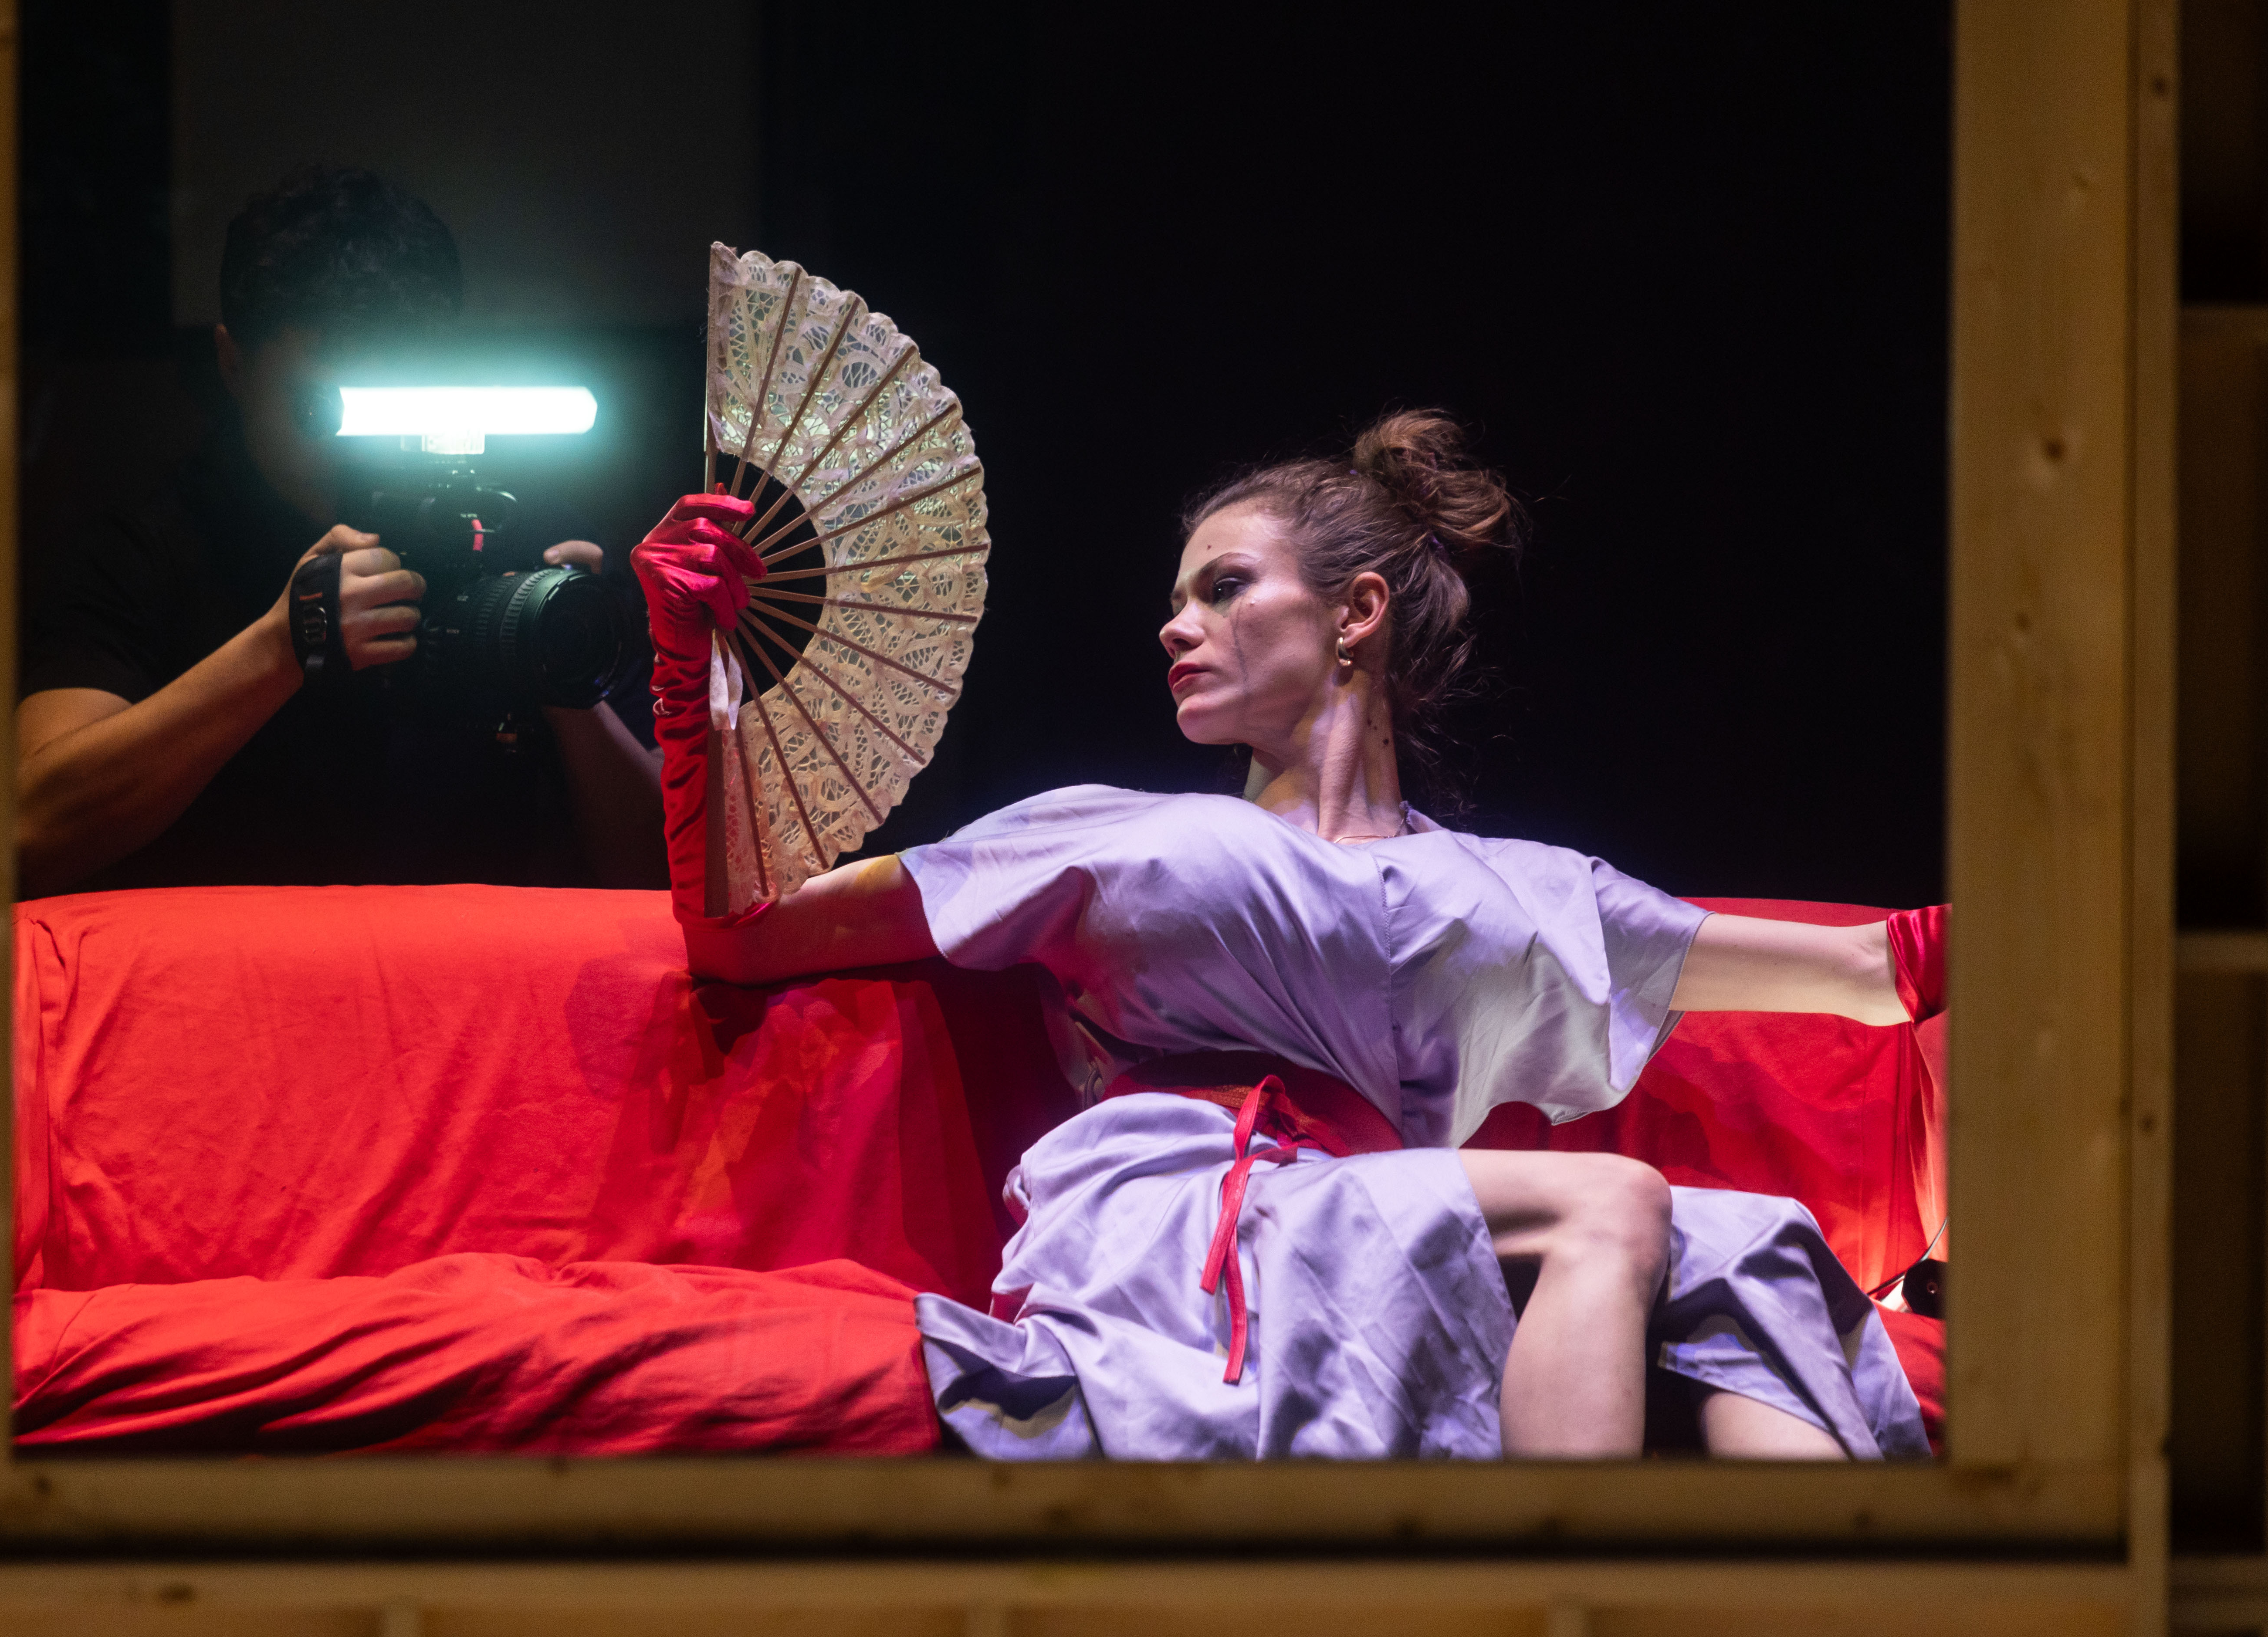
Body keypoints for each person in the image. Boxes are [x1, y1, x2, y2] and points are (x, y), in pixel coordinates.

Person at [633, 409, 1943, 1462]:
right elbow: (745, 940)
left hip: (1396, 1236)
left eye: (1223, 588)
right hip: (1192, 1224)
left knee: (1762, 1252)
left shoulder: (1527, 890)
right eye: (1179, 599)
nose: (1174, 625)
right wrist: (690, 668)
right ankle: (1558, 1601)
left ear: (1355, 614)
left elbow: (1875, 977)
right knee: (1612, 1202)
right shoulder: (1116, 833)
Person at [17, 166, 665, 896]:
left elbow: (658, 877)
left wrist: (566, 682)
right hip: (239, 993)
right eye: (323, 407)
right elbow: (32, 832)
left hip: (477, 994)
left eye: (396, 390)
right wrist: (281, 648)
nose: (362, 442)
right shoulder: (144, 555)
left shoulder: (522, 533)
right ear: (233, 362)